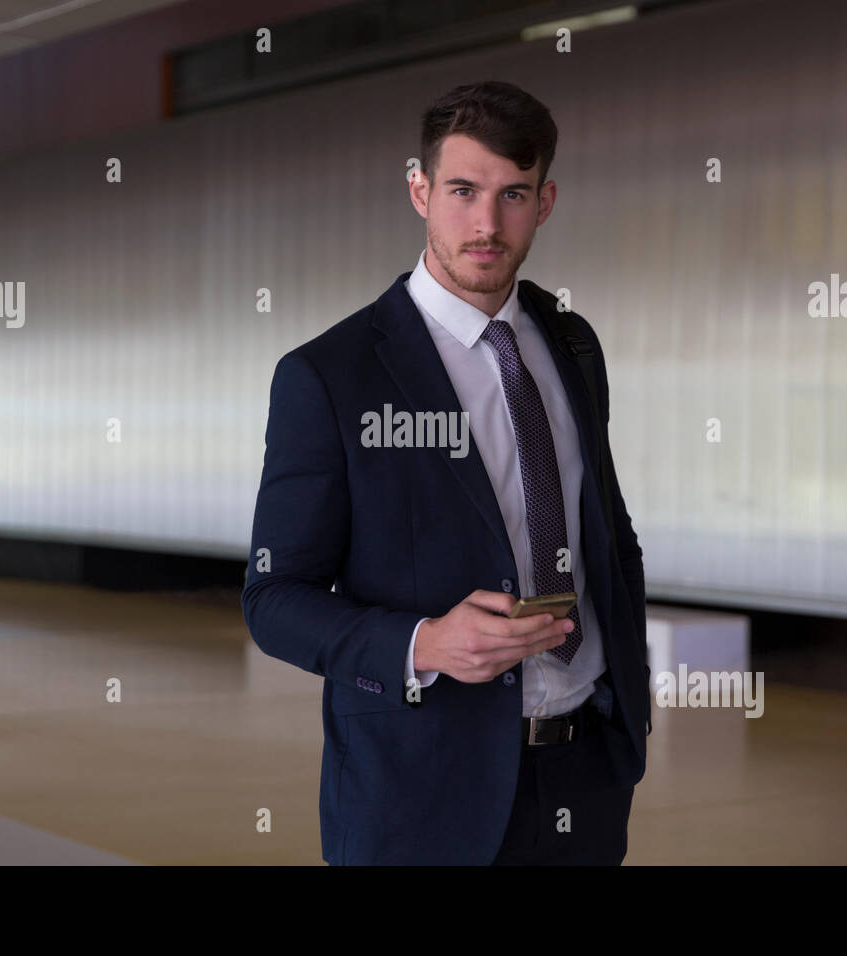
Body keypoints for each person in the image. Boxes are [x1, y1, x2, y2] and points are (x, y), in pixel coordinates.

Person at [242, 80, 650, 865]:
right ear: (419, 190)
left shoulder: (573, 346)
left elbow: (607, 527)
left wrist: (628, 715)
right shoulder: (331, 376)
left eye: (513, 195)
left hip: (584, 775)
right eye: (462, 191)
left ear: (546, 201)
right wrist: (423, 644)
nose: (487, 224)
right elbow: (273, 599)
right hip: (417, 794)